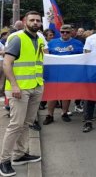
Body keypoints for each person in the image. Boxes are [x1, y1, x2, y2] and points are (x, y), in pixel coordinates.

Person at [0, 12, 44, 176]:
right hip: (19, 88)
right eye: (31, 20)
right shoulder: (17, 38)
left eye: (37, 20)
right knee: (16, 125)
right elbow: (7, 63)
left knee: (27, 123)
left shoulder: (39, 39)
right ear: (25, 22)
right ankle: (4, 160)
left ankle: (19, 155)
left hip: (36, 86)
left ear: (40, 23)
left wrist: (40, 84)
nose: (35, 22)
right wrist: (14, 86)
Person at [43, 25, 84, 125]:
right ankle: (50, 115)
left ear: (71, 32)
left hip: (69, 74)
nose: (64, 34)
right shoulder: (52, 42)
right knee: (52, 95)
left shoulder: (78, 43)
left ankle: (64, 113)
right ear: (60, 32)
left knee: (66, 94)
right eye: (62, 32)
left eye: (67, 32)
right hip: (53, 73)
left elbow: (83, 57)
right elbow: (46, 56)